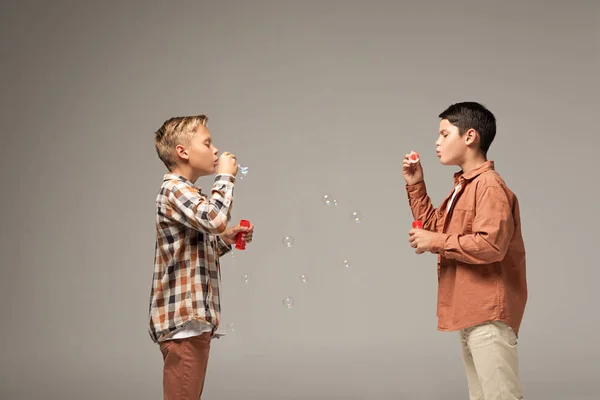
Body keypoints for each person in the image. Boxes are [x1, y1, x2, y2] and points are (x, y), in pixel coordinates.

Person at [403, 102, 527, 400]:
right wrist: (416, 185)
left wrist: (432, 241)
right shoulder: (465, 186)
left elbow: (490, 245)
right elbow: (438, 227)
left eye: (444, 134)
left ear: (470, 136)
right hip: (473, 313)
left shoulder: (489, 187)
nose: (437, 142)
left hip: (488, 315)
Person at [148, 114, 254, 399]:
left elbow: (192, 249)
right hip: (184, 325)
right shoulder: (174, 188)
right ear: (182, 152)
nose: (215, 150)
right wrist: (225, 176)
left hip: (191, 325)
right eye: (207, 143)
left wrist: (223, 240)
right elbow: (215, 217)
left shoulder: (187, 192)